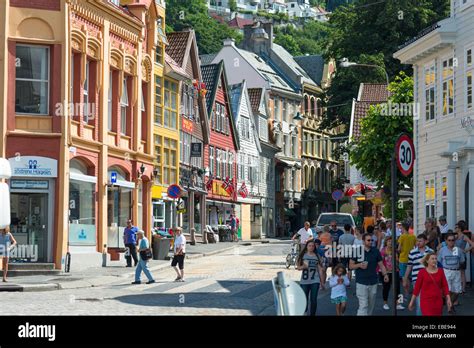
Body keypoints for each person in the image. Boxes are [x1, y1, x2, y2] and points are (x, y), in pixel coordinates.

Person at [350, 233, 390, 316]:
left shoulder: (375, 251)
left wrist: (385, 275)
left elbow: (381, 264)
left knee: (371, 305)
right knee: (363, 305)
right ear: (363, 241)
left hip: (373, 281)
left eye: (372, 240)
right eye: (368, 240)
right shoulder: (357, 251)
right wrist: (359, 265)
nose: (371, 242)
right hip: (361, 282)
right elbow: (350, 266)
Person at [403, 234, 433, 315]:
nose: (417, 243)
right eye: (417, 241)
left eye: (420, 241)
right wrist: (405, 279)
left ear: (426, 241)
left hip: (430, 280)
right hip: (417, 280)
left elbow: (434, 267)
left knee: (429, 302)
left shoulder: (431, 252)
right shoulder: (412, 252)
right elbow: (409, 266)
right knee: (419, 302)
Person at [437, 233, 465, 312]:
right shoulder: (442, 250)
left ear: (455, 241)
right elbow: (438, 261)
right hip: (446, 271)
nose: (451, 242)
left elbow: (462, 261)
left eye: (453, 240)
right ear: (446, 241)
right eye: (449, 240)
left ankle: (451, 304)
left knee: (457, 291)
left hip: (456, 271)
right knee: (448, 290)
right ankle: (449, 308)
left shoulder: (458, 250)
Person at [297, 240, 326, 316]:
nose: (311, 247)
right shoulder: (302, 255)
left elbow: (320, 270)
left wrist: (322, 282)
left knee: (313, 299)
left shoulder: (317, 256)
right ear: (306, 246)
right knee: (304, 299)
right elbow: (298, 267)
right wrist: (303, 266)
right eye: (309, 246)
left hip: (315, 280)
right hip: (304, 281)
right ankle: (305, 312)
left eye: (313, 246)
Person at [380, 236, 404, 310]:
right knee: (386, 288)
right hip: (386, 272)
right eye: (389, 241)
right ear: (386, 242)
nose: (390, 243)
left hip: (395, 271)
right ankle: (385, 303)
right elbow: (381, 262)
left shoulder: (396, 251)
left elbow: (398, 260)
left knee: (398, 288)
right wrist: (384, 273)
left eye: (392, 241)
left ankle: (399, 303)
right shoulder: (383, 250)